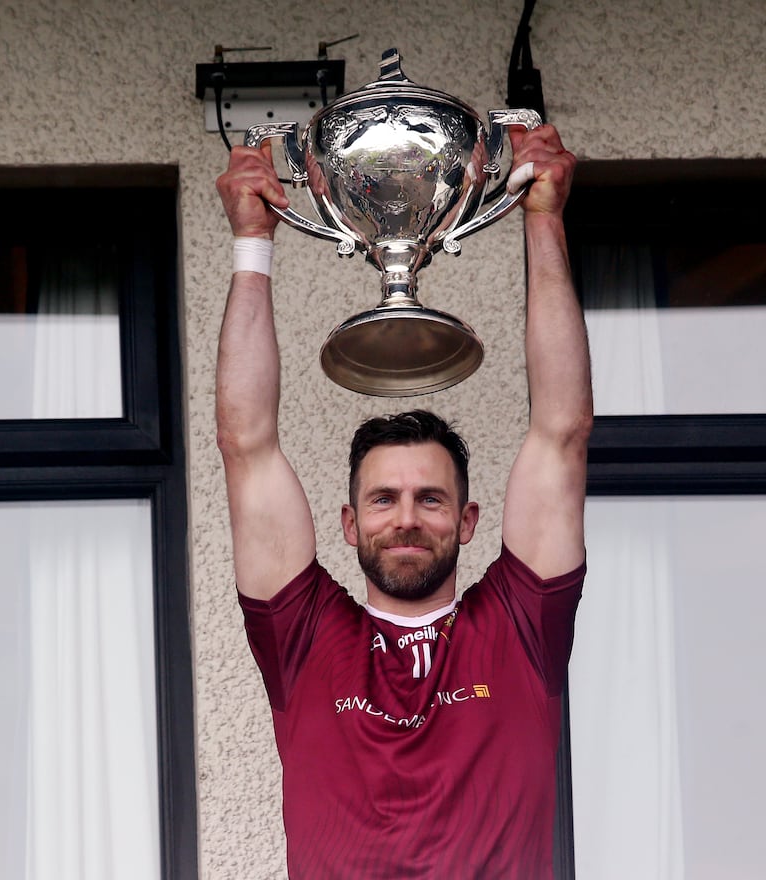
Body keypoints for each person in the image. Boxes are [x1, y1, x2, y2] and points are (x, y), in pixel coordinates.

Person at [215, 123, 593, 879]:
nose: (408, 518)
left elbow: (562, 432)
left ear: (468, 520)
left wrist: (544, 221)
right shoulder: (305, 641)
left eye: (430, 498)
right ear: (350, 524)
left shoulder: (521, 628)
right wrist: (253, 246)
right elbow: (246, 444)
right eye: (383, 500)